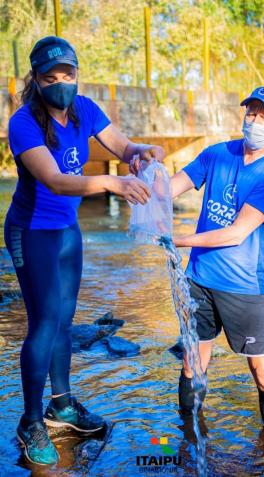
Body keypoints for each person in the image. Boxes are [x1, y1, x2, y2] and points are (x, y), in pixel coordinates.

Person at [4, 36, 164, 466]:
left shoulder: (87, 110)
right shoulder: (23, 123)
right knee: (44, 322)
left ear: (77, 74)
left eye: (67, 74)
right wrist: (112, 183)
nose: (61, 83)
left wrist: (141, 152)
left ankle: (62, 406)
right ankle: (31, 422)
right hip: (31, 232)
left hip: (67, 231)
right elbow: (55, 180)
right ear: (35, 80)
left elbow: (124, 146)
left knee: (65, 320)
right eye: (50, 77)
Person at [169, 86, 264, 432]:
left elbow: (236, 233)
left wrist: (177, 239)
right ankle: (190, 440)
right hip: (199, 279)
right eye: (251, 112)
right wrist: (139, 184)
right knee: (193, 362)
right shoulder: (217, 154)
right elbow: (169, 186)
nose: (254, 120)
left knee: (263, 370)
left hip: (246, 287)